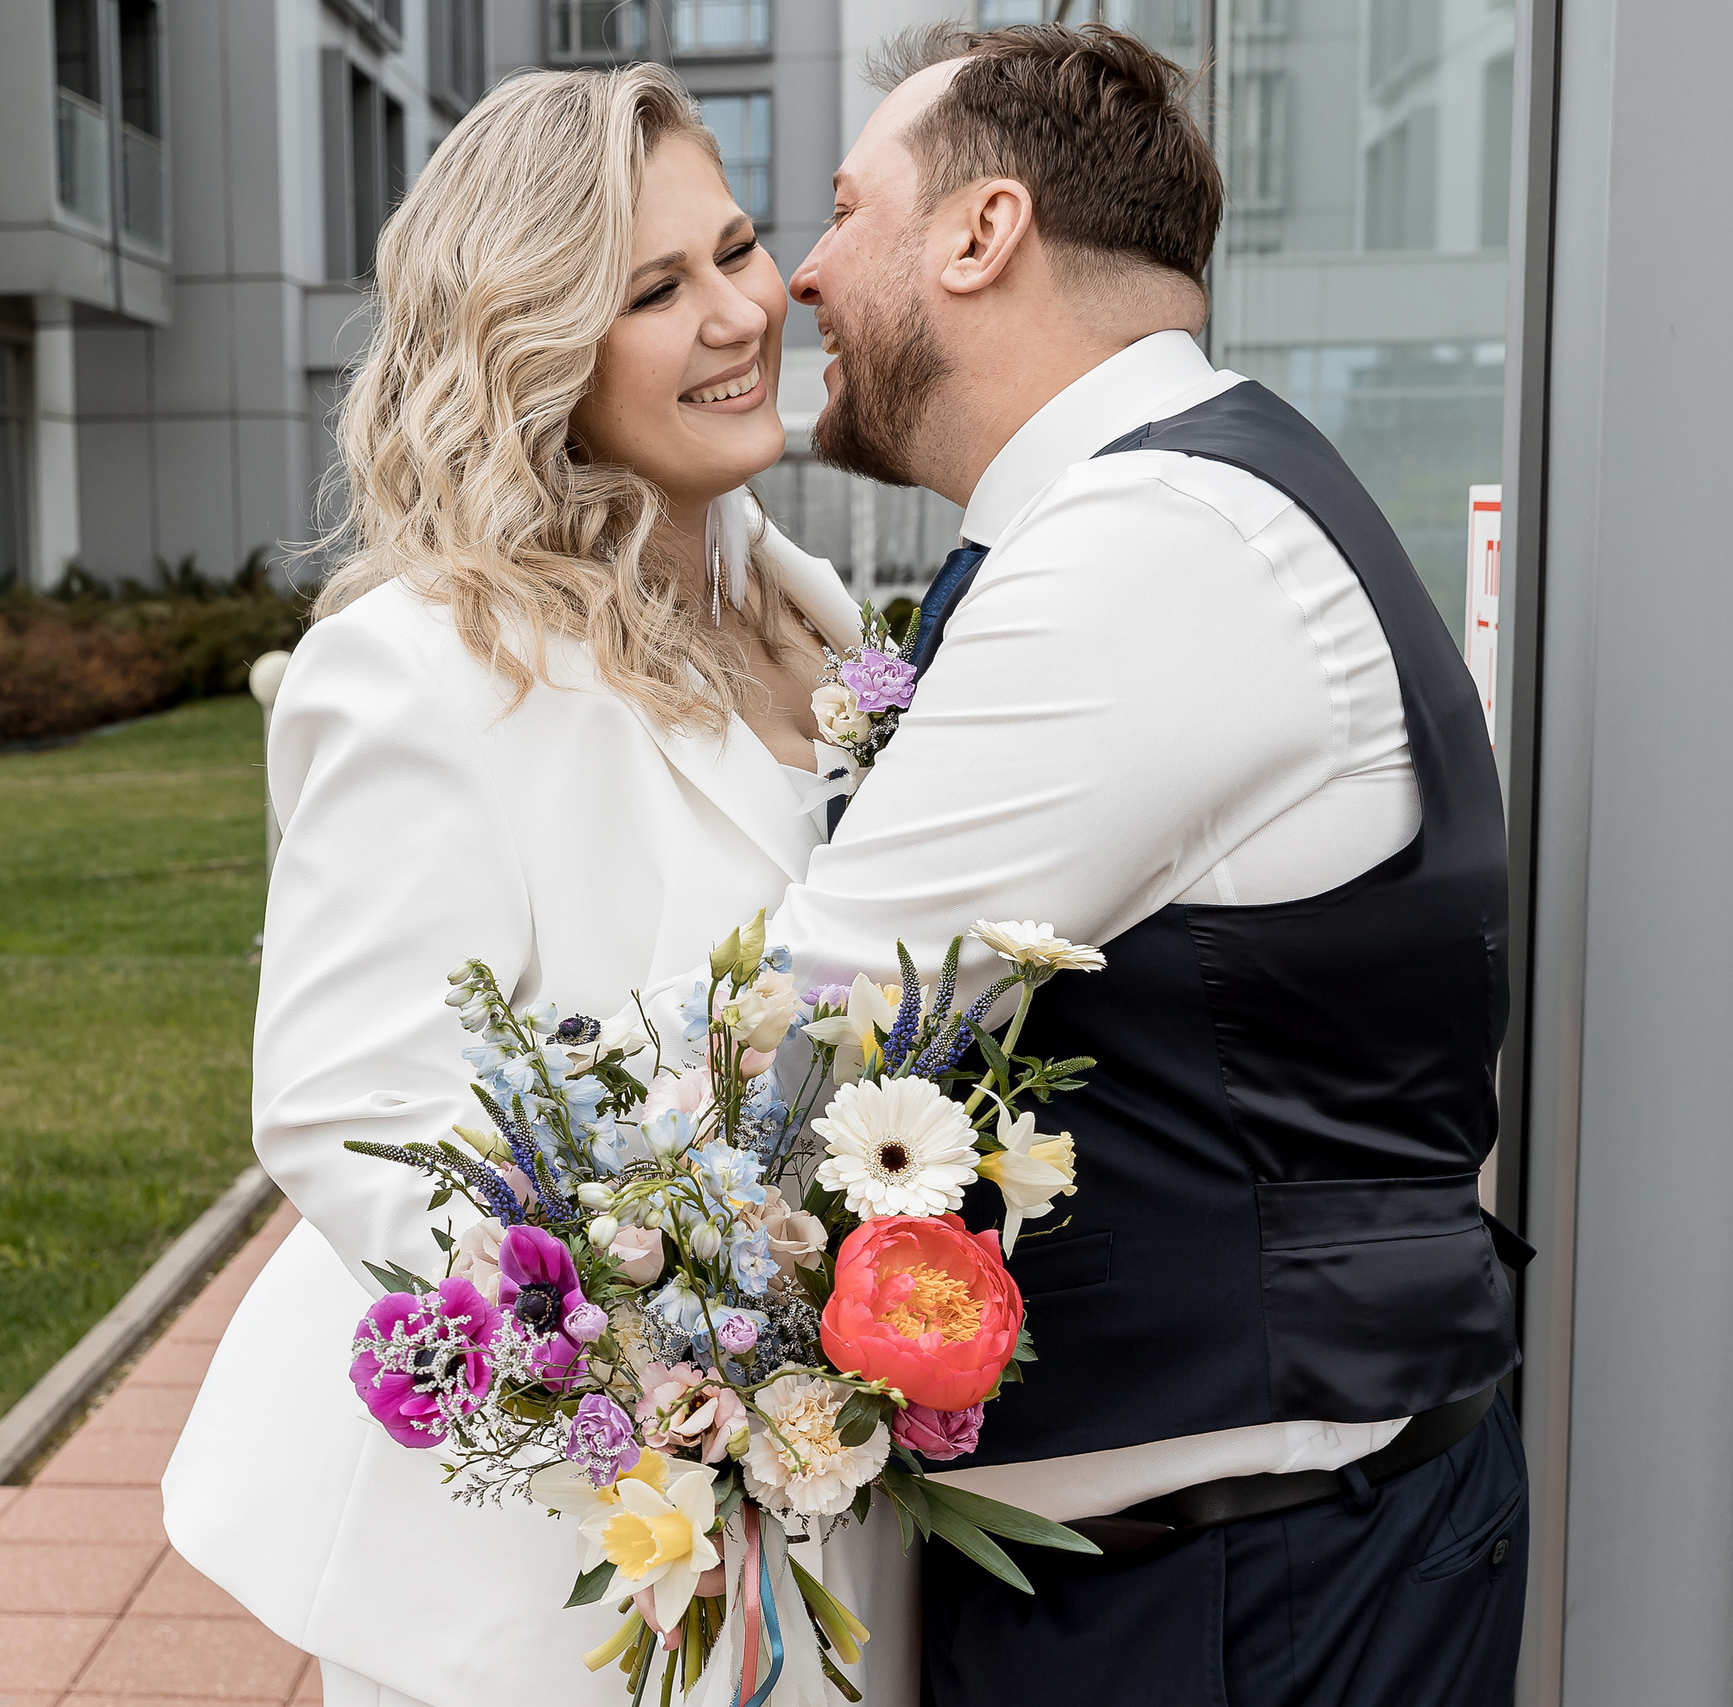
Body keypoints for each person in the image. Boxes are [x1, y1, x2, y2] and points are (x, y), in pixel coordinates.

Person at [698, 22, 1526, 1705]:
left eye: (847, 211)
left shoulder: (1158, 550)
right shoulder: (1149, 507)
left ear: (981, 233)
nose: (799, 275)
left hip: (1251, 1594)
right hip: (1217, 1566)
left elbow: (819, 1017)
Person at [161, 65, 919, 1707]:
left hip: (817, 1496)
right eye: (654, 290)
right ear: (535, 349)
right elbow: (349, 1103)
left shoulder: (813, 610)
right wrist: (644, 1355)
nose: (737, 313)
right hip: (538, 1581)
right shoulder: (418, 666)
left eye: (731, 250)